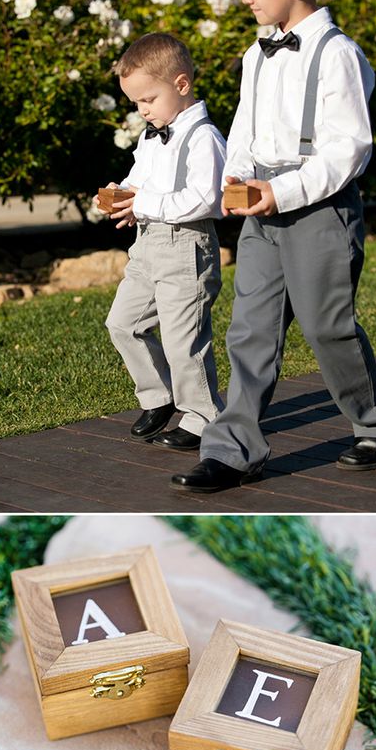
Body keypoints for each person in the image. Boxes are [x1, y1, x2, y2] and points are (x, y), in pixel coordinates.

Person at [171, 0, 376, 494]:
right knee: (249, 330)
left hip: (320, 210)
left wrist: (283, 191)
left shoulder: (336, 55)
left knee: (328, 328)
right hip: (260, 208)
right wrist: (237, 172)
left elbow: (348, 149)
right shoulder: (258, 54)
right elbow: (247, 125)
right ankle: (233, 451)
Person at [97, 32, 226, 451]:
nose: (142, 110)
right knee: (122, 323)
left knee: (182, 338)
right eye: (135, 103)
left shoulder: (203, 137)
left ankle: (204, 415)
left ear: (181, 84)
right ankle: (160, 396)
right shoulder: (151, 135)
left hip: (186, 248)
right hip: (148, 244)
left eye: (148, 100)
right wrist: (124, 194)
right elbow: (142, 180)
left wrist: (146, 201)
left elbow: (206, 199)